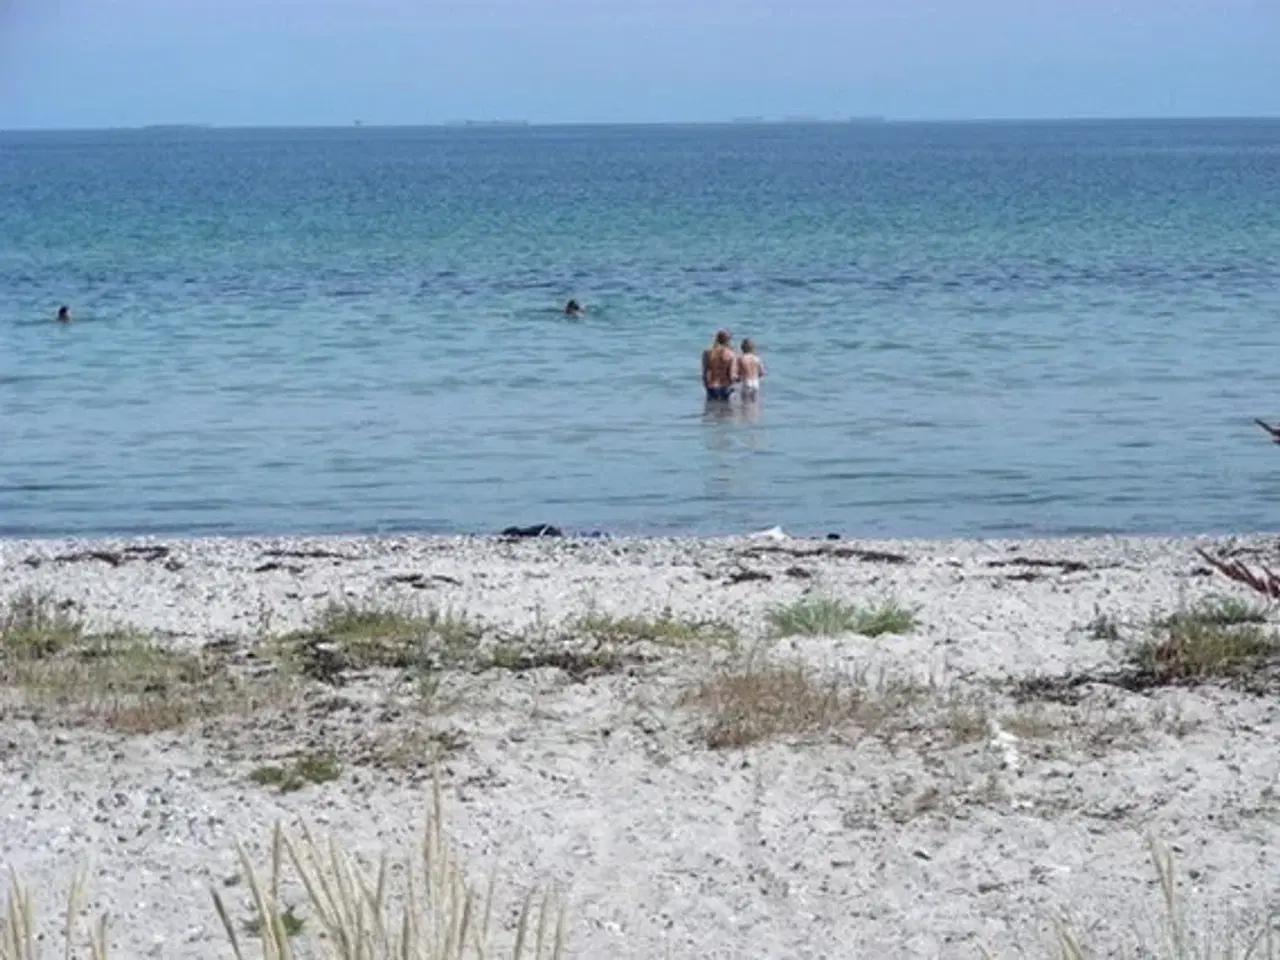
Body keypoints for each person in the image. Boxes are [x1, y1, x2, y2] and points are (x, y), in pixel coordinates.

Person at [701, 329, 738, 402]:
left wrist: (706, 386)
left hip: (711, 386)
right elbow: (732, 375)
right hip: (725, 386)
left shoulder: (707, 353)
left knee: (711, 410)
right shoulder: (731, 354)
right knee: (726, 411)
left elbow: (705, 372)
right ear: (728, 340)